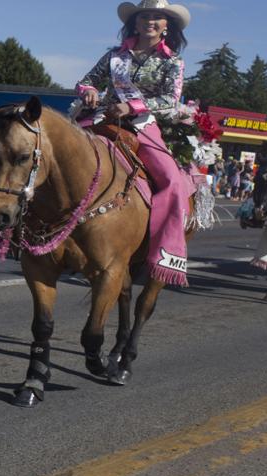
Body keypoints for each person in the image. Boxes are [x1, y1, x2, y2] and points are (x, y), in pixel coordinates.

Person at [75, 0, 194, 287]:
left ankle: (163, 250)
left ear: (167, 25)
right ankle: (18, 235)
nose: (150, 21)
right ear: (135, 22)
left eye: (157, 17)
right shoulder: (115, 56)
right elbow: (85, 81)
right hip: (102, 118)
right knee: (47, 153)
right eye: (144, 16)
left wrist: (133, 107)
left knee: (172, 180)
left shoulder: (172, 61)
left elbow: (170, 99)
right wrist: (89, 91)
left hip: (144, 126)